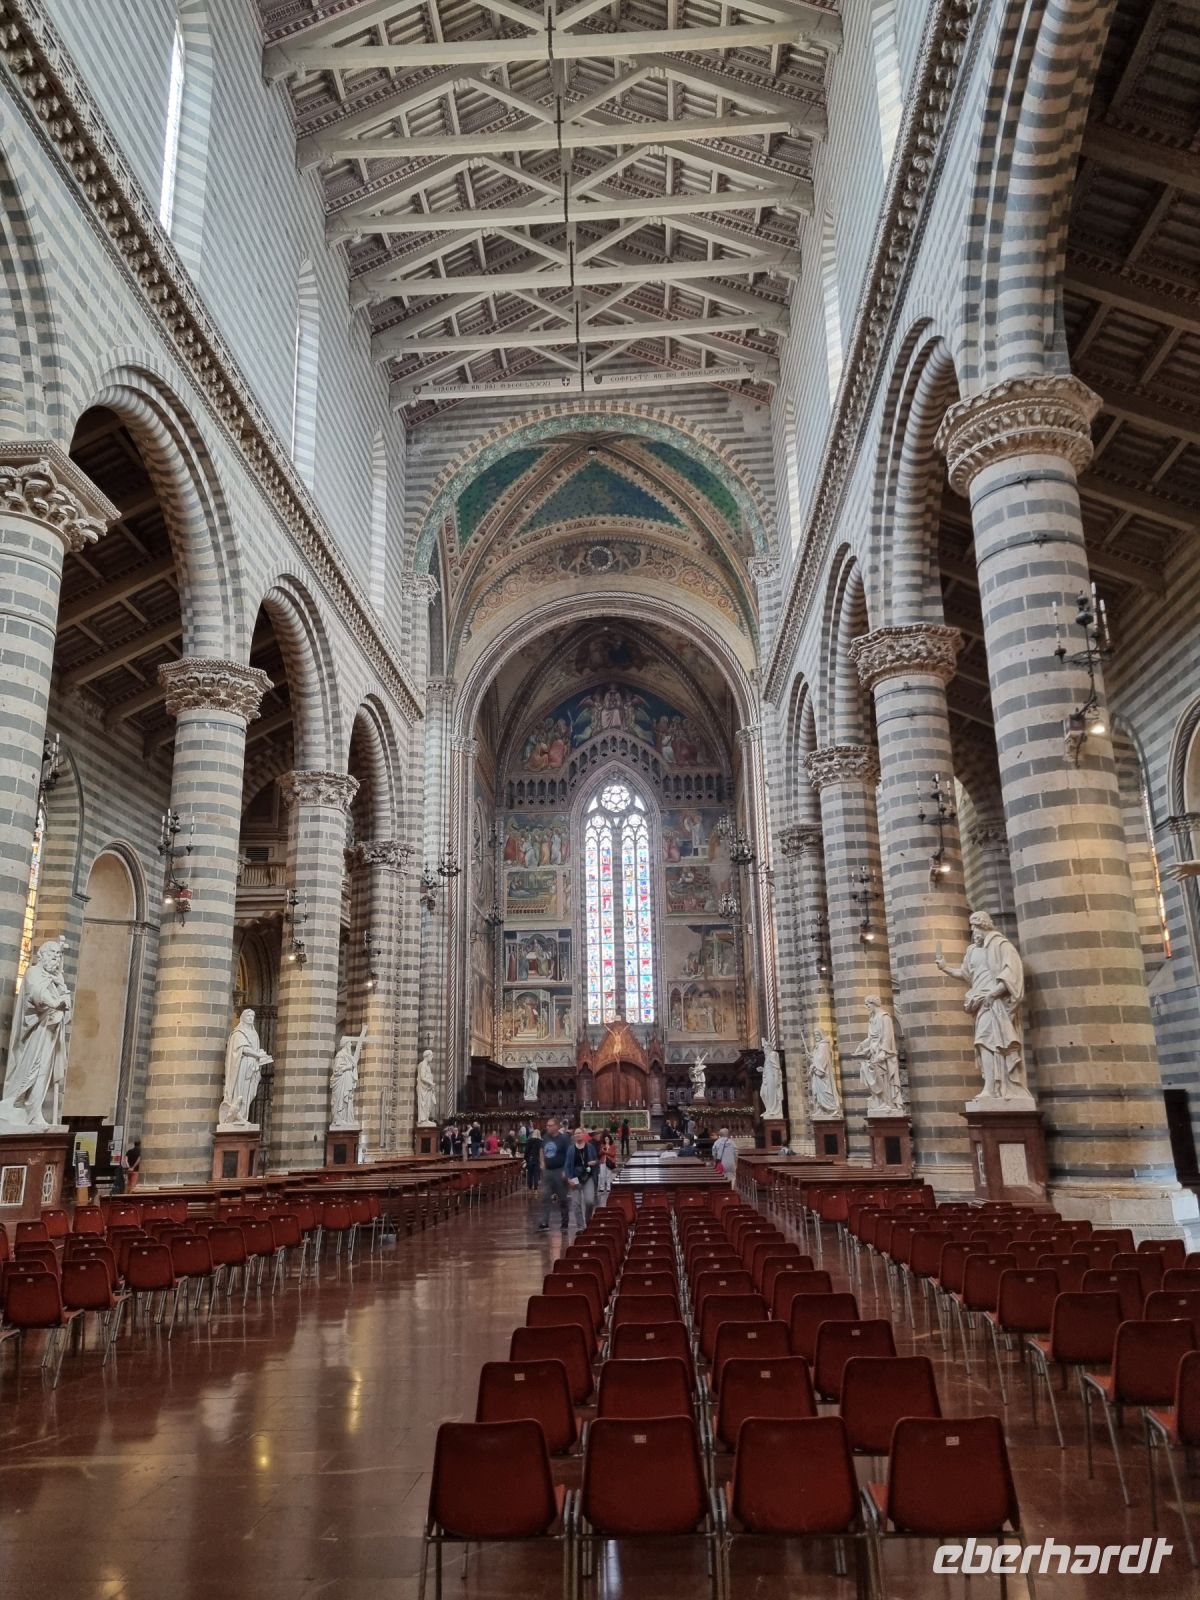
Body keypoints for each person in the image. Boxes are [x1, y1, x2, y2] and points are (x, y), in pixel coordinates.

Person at [537, 1117, 570, 1232]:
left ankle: (565, 1222)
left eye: (550, 1125)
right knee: (545, 1197)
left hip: (559, 1170)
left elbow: (568, 1155)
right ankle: (544, 1222)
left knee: (563, 1198)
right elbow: (541, 1150)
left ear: (556, 1126)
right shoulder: (545, 1137)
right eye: (547, 1125)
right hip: (548, 1171)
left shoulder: (564, 1139)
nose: (547, 1127)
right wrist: (542, 1162)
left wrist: (566, 1170)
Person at [565, 1126, 600, 1230]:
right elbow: (567, 1165)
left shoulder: (590, 1147)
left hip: (587, 1177)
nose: (578, 1135)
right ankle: (580, 1226)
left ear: (584, 1135)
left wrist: (594, 1162)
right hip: (574, 1178)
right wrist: (568, 1179)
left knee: (589, 1201)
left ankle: (588, 1220)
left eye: (579, 1133)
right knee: (576, 1204)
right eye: (576, 1133)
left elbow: (597, 1160)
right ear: (574, 1136)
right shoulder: (571, 1149)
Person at [524, 1123, 543, 1192]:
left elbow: (527, 1150)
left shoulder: (529, 1141)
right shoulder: (540, 1142)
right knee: (536, 1173)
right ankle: (535, 1186)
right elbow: (541, 1151)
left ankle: (529, 1186)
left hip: (530, 1158)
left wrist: (526, 1158)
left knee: (530, 1173)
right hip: (537, 1159)